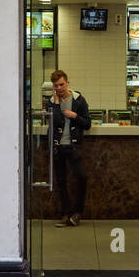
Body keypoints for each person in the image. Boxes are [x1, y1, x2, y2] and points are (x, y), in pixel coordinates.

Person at [47, 69, 91, 227]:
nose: (59, 88)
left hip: (73, 146)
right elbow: (56, 122)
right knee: (61, 182)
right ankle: (66, 213)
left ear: (67, 83)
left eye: (61, 85)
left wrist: (75, 116)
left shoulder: (78, 100)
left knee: (81, 177)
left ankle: (77, 212)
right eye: (56, 86)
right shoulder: (52, 101)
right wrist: (57, 103)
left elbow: (87, 124)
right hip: (58, 147)